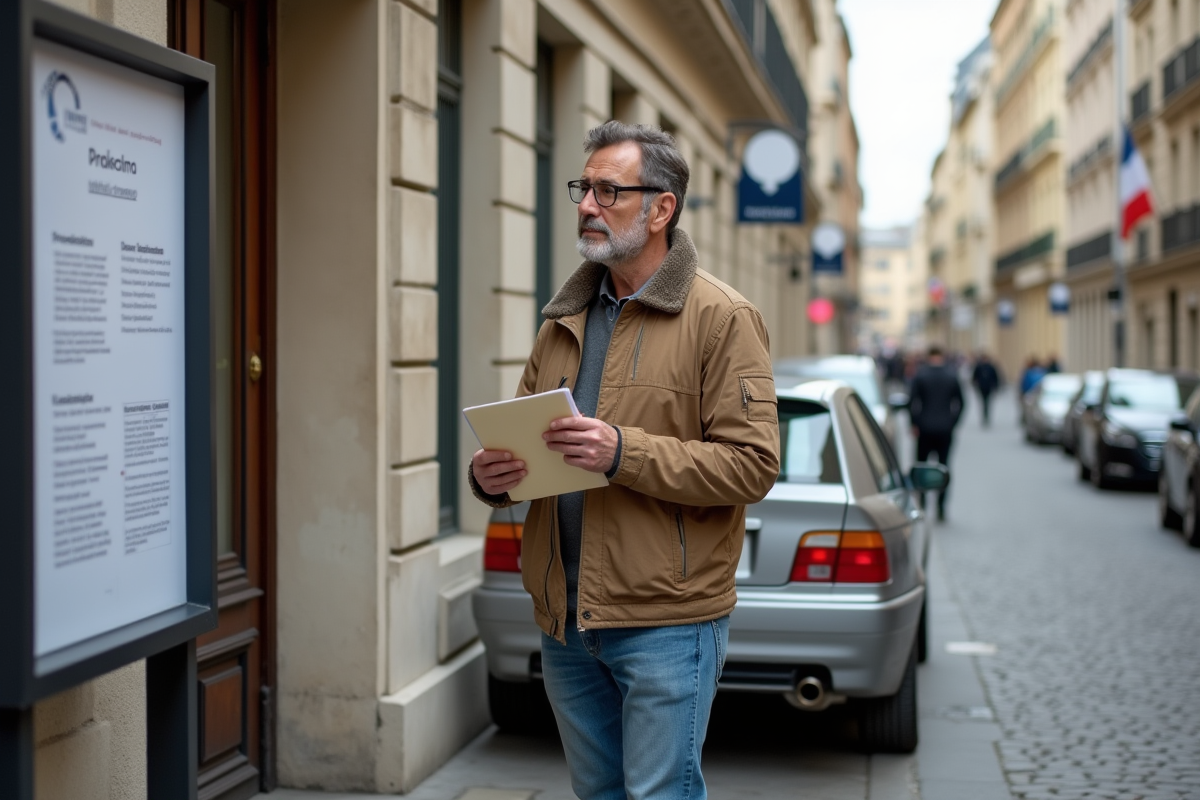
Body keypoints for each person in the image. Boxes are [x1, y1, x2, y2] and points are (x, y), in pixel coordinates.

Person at [468, 121, 780, 800]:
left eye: (608, 191)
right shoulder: (565, 317)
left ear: (661, 208)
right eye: (583, 188)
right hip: (565, 617)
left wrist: (622, 452)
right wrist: (492, 477)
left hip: (666, 620)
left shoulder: (723, 318)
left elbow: (752, 465)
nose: (587, 205)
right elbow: (525, 442)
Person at [909, 345, 964, 521]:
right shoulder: (951, 375)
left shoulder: (921, 375)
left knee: (922, 467)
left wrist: (914, 423)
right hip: (945, 430)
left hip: (924, 429)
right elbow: (961, 402)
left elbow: (912, 402)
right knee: (944, 467)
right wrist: (953, 422)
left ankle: (922, 503)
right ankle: (941, 506)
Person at [971, 352, 1001, 427]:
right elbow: (975, 377)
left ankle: (986, 416)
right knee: (983, 402)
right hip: (981, 387)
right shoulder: (979, 367)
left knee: (987, 402)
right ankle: (984, 416)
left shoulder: (991, 367)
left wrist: (995, 387)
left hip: (989, 387)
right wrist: (975, 384)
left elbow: (995, 377)